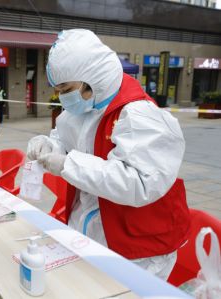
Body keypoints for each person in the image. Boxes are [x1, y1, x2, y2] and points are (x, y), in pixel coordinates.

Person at [27, 29, 190, 280]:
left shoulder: (139, 116)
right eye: (58, 89)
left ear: (91, 79)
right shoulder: (83, 107)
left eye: (66, 88)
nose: (62, 96)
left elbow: (138, 183)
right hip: (91, 231)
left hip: (139, 248)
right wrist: (49, 146)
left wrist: (68, 164)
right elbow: (65, 140)